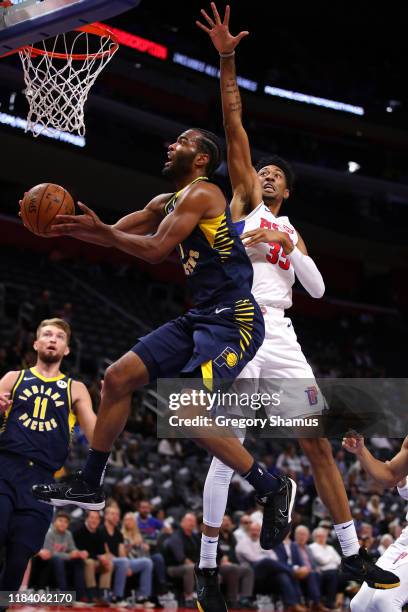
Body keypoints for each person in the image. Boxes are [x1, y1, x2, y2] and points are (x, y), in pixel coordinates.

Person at [195, 5, 399, 608]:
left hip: (281, 334)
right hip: (236, 324)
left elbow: (317, 292)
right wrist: (228, 58)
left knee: (316, 439)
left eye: (277, 175)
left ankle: (352, 550)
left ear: (288, 191)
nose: (267, 175)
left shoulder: (291, 231)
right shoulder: (240, 205)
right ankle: (207, 566)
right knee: (224, 444)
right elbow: (233, 123)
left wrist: (289, 245)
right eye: (262, 171)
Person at [31, 114, 296, 578]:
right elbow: (115, 229)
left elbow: (152, 250)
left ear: (202, 158)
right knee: (116, 378)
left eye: (182, 142)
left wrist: (102, 232)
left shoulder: (205, 193)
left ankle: (271, 485)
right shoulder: (167, 200)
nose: (170, 145)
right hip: (200, 317)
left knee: (184, 408)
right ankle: (90, 481)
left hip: (234, 320)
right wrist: (67, 226)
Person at [0, 318, 95, 595]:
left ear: (66, 349)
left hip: (43, 482)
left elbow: (97, 435)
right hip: (5, 468)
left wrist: (112, 402)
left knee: (19, 558)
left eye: (59, 337)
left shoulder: (74, 388)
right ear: (36, 343)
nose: (53, 339)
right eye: (47, 334)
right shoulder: (12, 378)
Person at [344, 434, 408, 611]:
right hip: (405, 540)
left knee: (385, 602)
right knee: (358, 604)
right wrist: (361, 451)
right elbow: (391, 475)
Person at [235, 522, 307, 612]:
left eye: (257, 530)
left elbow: (274, 557)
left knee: (282, 575)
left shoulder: (262, 542)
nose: (255, 532)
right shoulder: (242, 543)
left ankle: (292, 603)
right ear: (248, 531)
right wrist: (267, 557)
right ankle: (292, 571)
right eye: (253, 530)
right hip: (251, 572)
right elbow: (253, 559)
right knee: (266, 561)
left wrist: (269, 559)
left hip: (267, 573)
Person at [101, 503, 154, 606]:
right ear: (106, 515)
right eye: (112, 514)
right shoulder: (101, 530)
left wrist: (127, 565)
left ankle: (142, 596)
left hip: (121, 561)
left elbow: (122, 554)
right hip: (107, 559)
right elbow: (105, 552)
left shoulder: (118, 533)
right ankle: (118, 597)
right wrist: (124, 563)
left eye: (117, 514)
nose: (115, 516)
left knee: (147, 562)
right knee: (123, 562)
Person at [37, 511, 88, 599]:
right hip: (49, 563)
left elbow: (72, 548)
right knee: (57, 559)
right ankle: (63, 592)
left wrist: (78, 553)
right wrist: (69, 556)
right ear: (54, 522)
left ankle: (80, 595)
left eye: (65, 522)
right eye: (60, 520)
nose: (63, 524)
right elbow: (49, 553)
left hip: (63, 560)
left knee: (79, 560)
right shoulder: (49, 534)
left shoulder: (68, 534)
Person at [73, 510, 113, 604]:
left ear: (99, 521)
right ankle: (92, 594)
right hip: (82, 561)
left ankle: (104, 594)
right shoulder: (79, 531)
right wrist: (99, 557)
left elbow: (102, 552)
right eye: (92, 518)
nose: (94, 520)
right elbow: (82, 552)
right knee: (89, 562)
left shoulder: (100, 533)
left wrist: (104, 558)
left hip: (96, 561)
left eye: (96, 518)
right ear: (87, 518)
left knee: (109, 564)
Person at [164, 513, 201, 608]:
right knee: (190, 568)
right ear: (182, 523)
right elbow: (180, 557)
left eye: (193, 521)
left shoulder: (195, 537)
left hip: (191, 566)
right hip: (173, 568)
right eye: (189, 521)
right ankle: (188, 598)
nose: (192, 523)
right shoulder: (176, 536)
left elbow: (200, 555)